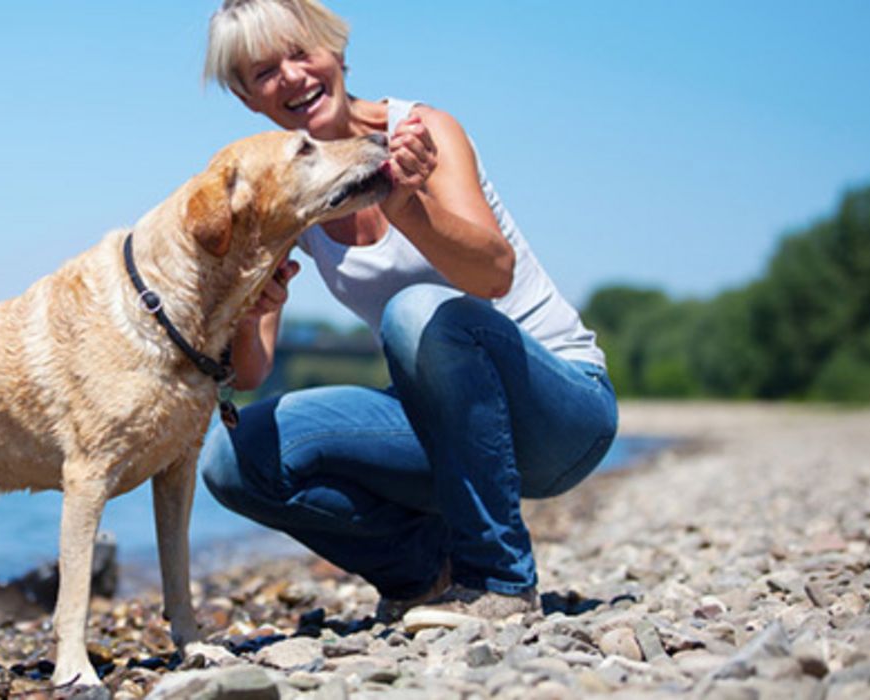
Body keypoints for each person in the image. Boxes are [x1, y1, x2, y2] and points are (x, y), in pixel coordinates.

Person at [197, 0, 619, 621]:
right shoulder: (290, 192)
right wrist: (249, 308)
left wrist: (406, 204)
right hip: (446, 432)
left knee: (417, 311)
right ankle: (423, 571)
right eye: (263, 72)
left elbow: (492, 273)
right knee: (232, 457)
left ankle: (498, 579)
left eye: (300, 52)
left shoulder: (420, 132)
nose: (290, 76)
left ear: (336, 53)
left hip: (561, 410)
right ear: (246, 98)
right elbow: (252, 372)